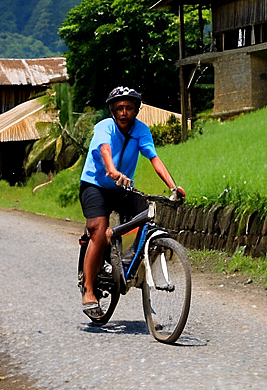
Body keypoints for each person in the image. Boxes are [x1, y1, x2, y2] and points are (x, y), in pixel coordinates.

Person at [78, 86, 186, 321]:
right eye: (119, 108)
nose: (124, 112)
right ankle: (88, 289)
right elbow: (105, 150)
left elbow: (154, 159)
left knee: (146, 215)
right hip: (95, 186)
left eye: (129, 108)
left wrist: (173, 187)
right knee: (97, 230)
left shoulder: (141, 131)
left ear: (136, 110)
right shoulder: (104, 127)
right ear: (112, 110)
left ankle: (125, 261)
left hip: (123, 188)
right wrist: (113, 171)